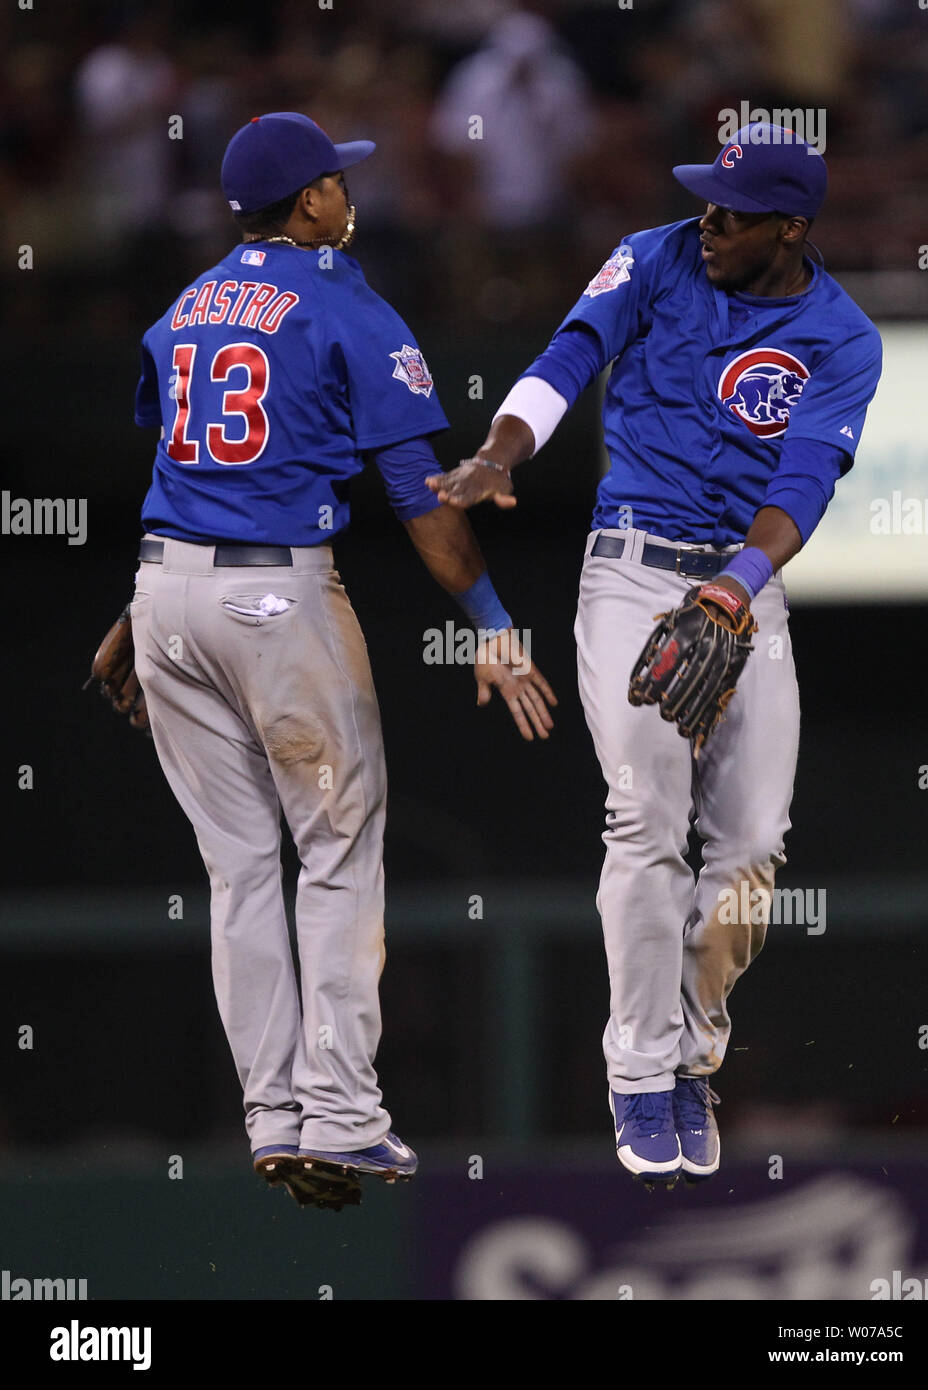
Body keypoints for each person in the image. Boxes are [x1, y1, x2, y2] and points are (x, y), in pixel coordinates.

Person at [429, 123, 882, 1187]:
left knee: (752, 847)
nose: (708, 221)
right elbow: (568, 354)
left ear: (791, 226)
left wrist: (734, 588)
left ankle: (687, 1051)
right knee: (643, 817)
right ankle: (637, 1068)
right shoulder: (654, 254)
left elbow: (803, 481)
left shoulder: (841, 334)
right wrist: (501, 449)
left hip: (743, 588)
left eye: (731, 210)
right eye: (705, 201)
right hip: (631, 571)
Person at [129, 112, 556, 1209]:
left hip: (163, 592)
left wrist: (130, 619)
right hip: (275, 595)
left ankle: (272, 1116)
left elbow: (180, 461)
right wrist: (495, 620)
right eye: (335, 180)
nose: (347, 194)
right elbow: (419, 499)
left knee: (237, 872)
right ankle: (344, 1117)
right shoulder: (340, 299)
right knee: (333, 850)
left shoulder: (184, 306)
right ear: (306, 202)